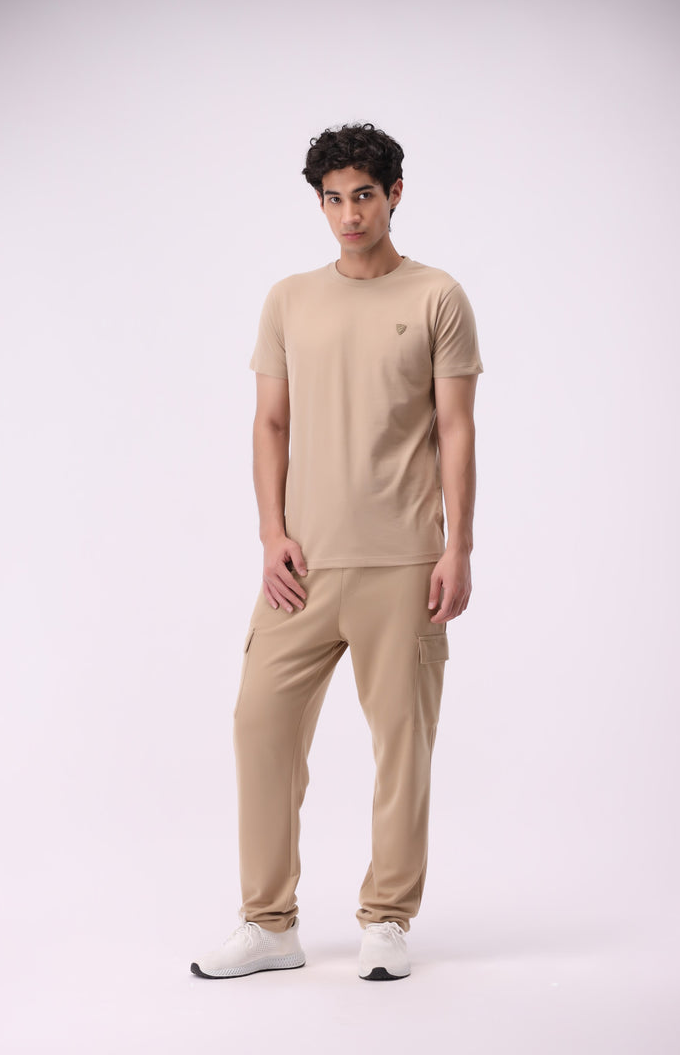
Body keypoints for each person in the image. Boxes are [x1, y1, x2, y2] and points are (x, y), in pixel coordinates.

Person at [190, 121, 484, 982]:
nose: (349, 215)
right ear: (318, 203)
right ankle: (268, 923)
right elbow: (269, 423)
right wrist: (271, 533)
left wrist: (458, 546)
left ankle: (386, 919)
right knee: (259, 727)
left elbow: (457, 430)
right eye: (333, 199)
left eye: (364, 196)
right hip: (301, 567)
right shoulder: (289, 299)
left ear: (395, 195)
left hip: (404, 563)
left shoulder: (438, 296)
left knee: (403, 746)